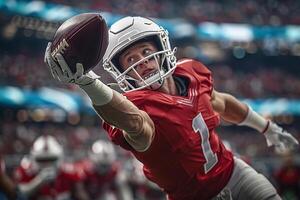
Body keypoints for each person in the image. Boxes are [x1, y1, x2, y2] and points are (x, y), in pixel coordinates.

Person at [44, 15, 299, 200]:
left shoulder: (192, 73)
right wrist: (88, 82)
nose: (141, 62)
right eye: (131, 59)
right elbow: (135, 123)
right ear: (122, 72)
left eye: (145, 51)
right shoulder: (137, 106)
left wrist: (266, 127)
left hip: (234, 173)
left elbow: (222, 103)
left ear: (163, 49)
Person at [14, 135, 89, 200]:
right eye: (42, 160)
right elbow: (18, 195)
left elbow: (80, 195)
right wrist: (38, 182)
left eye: (51, 159)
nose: (47, 164)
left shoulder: (69, 171)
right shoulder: (26, 171)